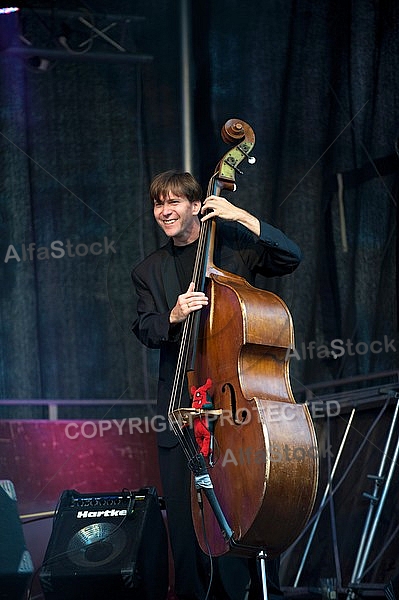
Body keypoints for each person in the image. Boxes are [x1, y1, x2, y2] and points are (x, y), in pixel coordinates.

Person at [131, 170, 302, 600]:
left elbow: (290, 257)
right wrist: (172, 316)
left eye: (174, 202)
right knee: (187, 526)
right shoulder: (149, 270)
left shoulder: (234, 247)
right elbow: (145, 328)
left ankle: (253, 592)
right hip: (182, 410)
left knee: (242, 504)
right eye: (158, 204)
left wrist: (241, 216)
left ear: (195, 205)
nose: (165, 211)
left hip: (234, 411)